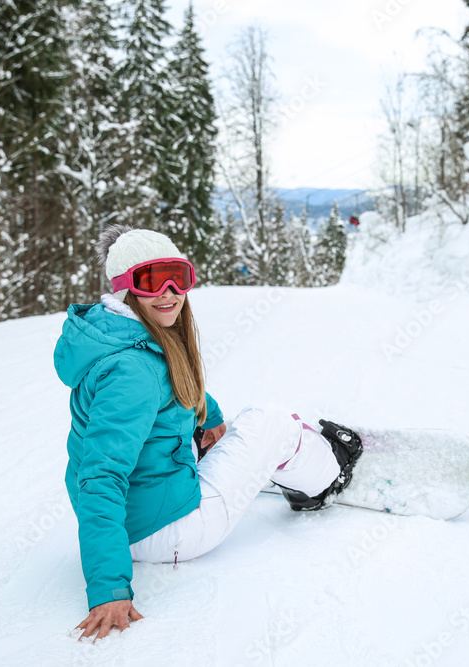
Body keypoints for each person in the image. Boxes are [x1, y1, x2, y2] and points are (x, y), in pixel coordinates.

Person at [53, 225, 362, 642]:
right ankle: (328, 477)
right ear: (126, 287)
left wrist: (210, 416)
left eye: (177, 277)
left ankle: (271, 459)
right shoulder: (131, 371)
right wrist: (108, 588)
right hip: (167, 532)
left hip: (139, 520)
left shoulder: (118, 335)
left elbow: (173, 379)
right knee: (271, 421)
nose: (168, 291)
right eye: (150, 280)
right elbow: (101, 476)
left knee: (232, 425)